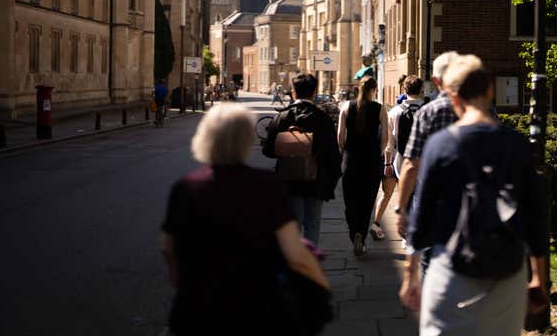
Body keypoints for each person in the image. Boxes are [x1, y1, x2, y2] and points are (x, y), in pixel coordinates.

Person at [400, 55, 550, 336]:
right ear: (490, 91)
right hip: (507, 271)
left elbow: (423, 218)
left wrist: (410, 274)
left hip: (452, 268)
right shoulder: (517, 144)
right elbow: (536, 215)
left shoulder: (440, 145)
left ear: (454, 97)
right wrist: (539, 276)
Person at [160, 104, 330, 336]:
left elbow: (169, 248)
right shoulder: (267, 186)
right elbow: (296, 253)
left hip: (195, 312)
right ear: (246, 140)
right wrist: (321, 286)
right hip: (253, 310)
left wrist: (186, 284)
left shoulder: (186, 188)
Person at [263, 73, 342, 245]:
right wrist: (331, 182)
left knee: (294, 225)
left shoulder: (281, 117)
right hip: (316, 181)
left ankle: (295, 264)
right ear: (314, 92)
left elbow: (268, 151)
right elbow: (333, 155)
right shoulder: (323, 119)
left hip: (289, 181)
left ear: (293, 93)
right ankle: (310, 261)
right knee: (312, 224)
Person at [395, 52, 460, 239]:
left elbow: (411, 164)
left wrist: (401, 209)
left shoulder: (429, 112)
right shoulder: (485, 111)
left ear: (435, 80)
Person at [337, 76, 389, 257]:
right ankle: (362, 235)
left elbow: (340, 137)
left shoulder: (346, 107)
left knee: (350, 201)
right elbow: (385, 139)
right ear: (374, 90)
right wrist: (379, 154)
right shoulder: (380, 109)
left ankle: (355, 234)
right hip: (371, 161)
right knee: (367, 202)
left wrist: (345, 152)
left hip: (350, 160)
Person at [374, 75, 424, 241]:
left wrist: (387, 162)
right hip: (422, 162)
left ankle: (378, 224)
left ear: (404, 90)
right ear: (422, 90)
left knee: (390, 194)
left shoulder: (394, 112)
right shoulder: (428, 110)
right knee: (417, 197)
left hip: (398, 161)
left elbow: (390, 143)